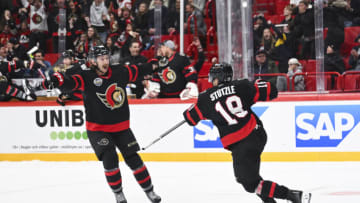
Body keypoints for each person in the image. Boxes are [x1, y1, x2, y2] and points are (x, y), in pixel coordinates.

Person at [43, 46, 161, 203]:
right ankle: (118, 193)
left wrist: (154, 64)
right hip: (98, 129)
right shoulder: (86, 76)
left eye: (107, 58)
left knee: (134, 158)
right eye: (101, 59)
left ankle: (150, 191)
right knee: (110, 158)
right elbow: (71, 83)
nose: (105, 62)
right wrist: (58, 81)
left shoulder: (119, 71)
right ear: (93, 61)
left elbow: (138, 71)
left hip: (121, 127)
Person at [182, 63, 311, 203]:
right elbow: (271, 91)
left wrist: (194, 109)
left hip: (241, 144)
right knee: (252, 178)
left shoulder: (205, 98)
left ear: (217, 78)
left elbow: (190, 119)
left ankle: (294, 196)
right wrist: (258, 83)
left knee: (249, 183)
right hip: (257, 134)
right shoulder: (242, 86)